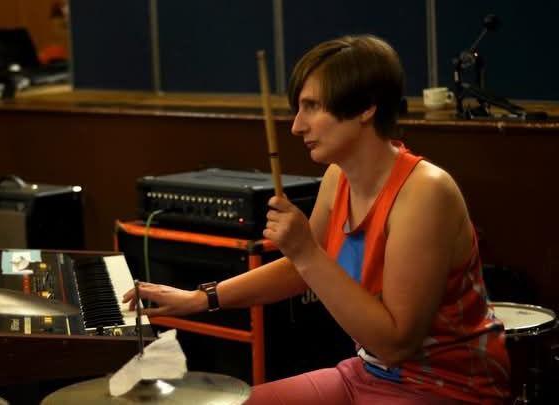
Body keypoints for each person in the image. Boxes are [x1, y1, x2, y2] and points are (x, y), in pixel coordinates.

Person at [123, 35, 510, 404]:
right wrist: (200, 298)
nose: (296, 126)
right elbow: (301, 269)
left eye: (312, 107)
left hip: (447, 387)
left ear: (365, 107)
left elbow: (395, 344)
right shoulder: (338, 177)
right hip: (368, 373)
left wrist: (306, 251)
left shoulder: (424, 192)